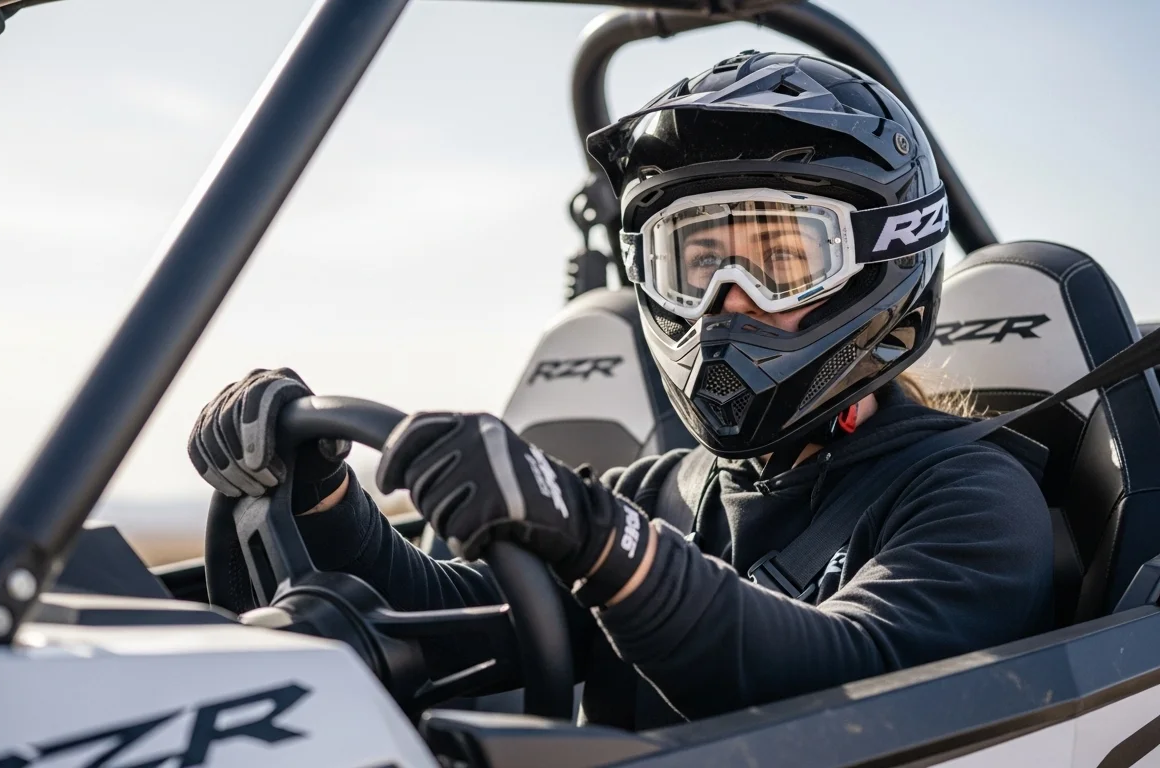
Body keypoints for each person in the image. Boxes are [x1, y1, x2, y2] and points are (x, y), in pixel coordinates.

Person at [187, 52, 1054, 729]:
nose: (728, 305)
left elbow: (850, 677)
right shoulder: (664, 489)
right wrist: (324, 495)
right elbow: (450, 617)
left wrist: (599, 540)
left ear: (884, 261)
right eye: (699, 263)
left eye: (782, 260)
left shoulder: (971, 494)